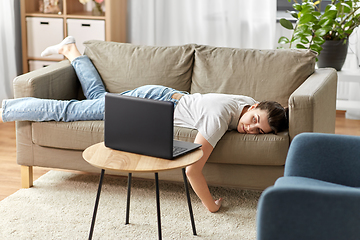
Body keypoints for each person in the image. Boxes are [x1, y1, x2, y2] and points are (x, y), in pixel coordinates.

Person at [0, 37, 289, 213]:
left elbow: (267, 115)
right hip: (150, 101)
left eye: (259, 130)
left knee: (100, 100)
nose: (251, 129)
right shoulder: (217, 117)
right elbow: (192, 169)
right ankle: (5, 108)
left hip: (160, 95)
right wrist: (211, 205)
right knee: (69, 111)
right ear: (252, 107)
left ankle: (72, 51)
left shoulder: (246, 101)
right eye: (254, 121)